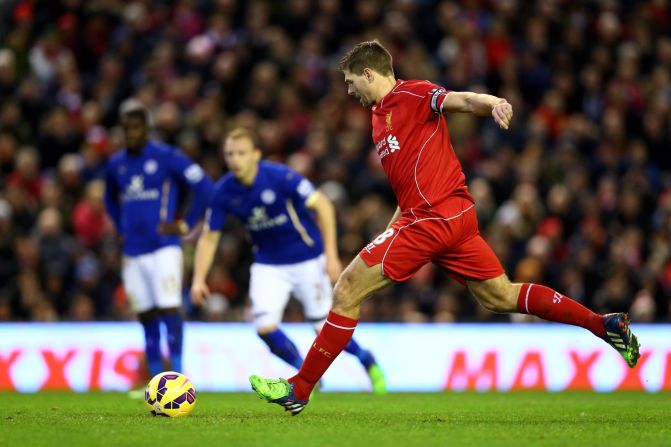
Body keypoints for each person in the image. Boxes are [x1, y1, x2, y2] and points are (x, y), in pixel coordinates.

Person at [249, 40, 641, 415]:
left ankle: (299, 390)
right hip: (443, 217)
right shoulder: (376, 119)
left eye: (351, 82)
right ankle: (602, 324)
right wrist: (386, 232)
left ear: (369, 73)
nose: (349, 91)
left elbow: (464, 100)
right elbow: (406, 190)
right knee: (499, 296)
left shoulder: (415, 94)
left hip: (435, 217)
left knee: (347, 289)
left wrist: (495, 103)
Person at [190, 128, 387, 394]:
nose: (235, 159)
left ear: (255, 155)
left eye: (241, 153)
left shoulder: (279, 176)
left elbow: (323, 206)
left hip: (307, 259)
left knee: (322, 327)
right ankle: (304, 374)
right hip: (268, 264)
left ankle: (367, 359)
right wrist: (199, 278)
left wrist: (330, 256)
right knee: (263, 327)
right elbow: (209, 237)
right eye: (229, 154)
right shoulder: (224, 191)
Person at [104, 100, 213, 388]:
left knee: (169, 308)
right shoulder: (116, 164)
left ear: (147, 129)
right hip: (132, 250)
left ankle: (177, 376)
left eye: (136, 128)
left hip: (164, 246)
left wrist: (186, 223)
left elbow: (203, 185)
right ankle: (154, 381)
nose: (130, 134)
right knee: (146, 315)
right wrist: (118, 226)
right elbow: (109, 199)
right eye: (126, 129)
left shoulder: (166, 157)